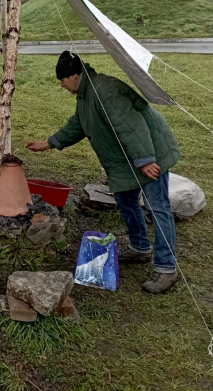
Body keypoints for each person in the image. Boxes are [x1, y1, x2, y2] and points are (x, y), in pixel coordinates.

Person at [26, 51, 182, 294]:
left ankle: (166, 267)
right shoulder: (87, 95)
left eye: (63, 80)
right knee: (126, 201)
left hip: (150, 154)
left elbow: (130, 125)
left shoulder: (104, 91)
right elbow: (78, 124)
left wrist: (145, 160)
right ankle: (140, 247)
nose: (61, 85)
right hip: (125, 161)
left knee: (157, 207)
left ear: (74, 75)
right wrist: (48, 143)